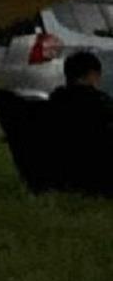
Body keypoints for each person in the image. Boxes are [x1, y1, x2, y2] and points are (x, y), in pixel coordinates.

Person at [48, 51, 113, 194]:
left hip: (61, 177)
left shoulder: (54, 103)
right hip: (99, 178)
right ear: (93, 75)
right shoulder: (101, 103)